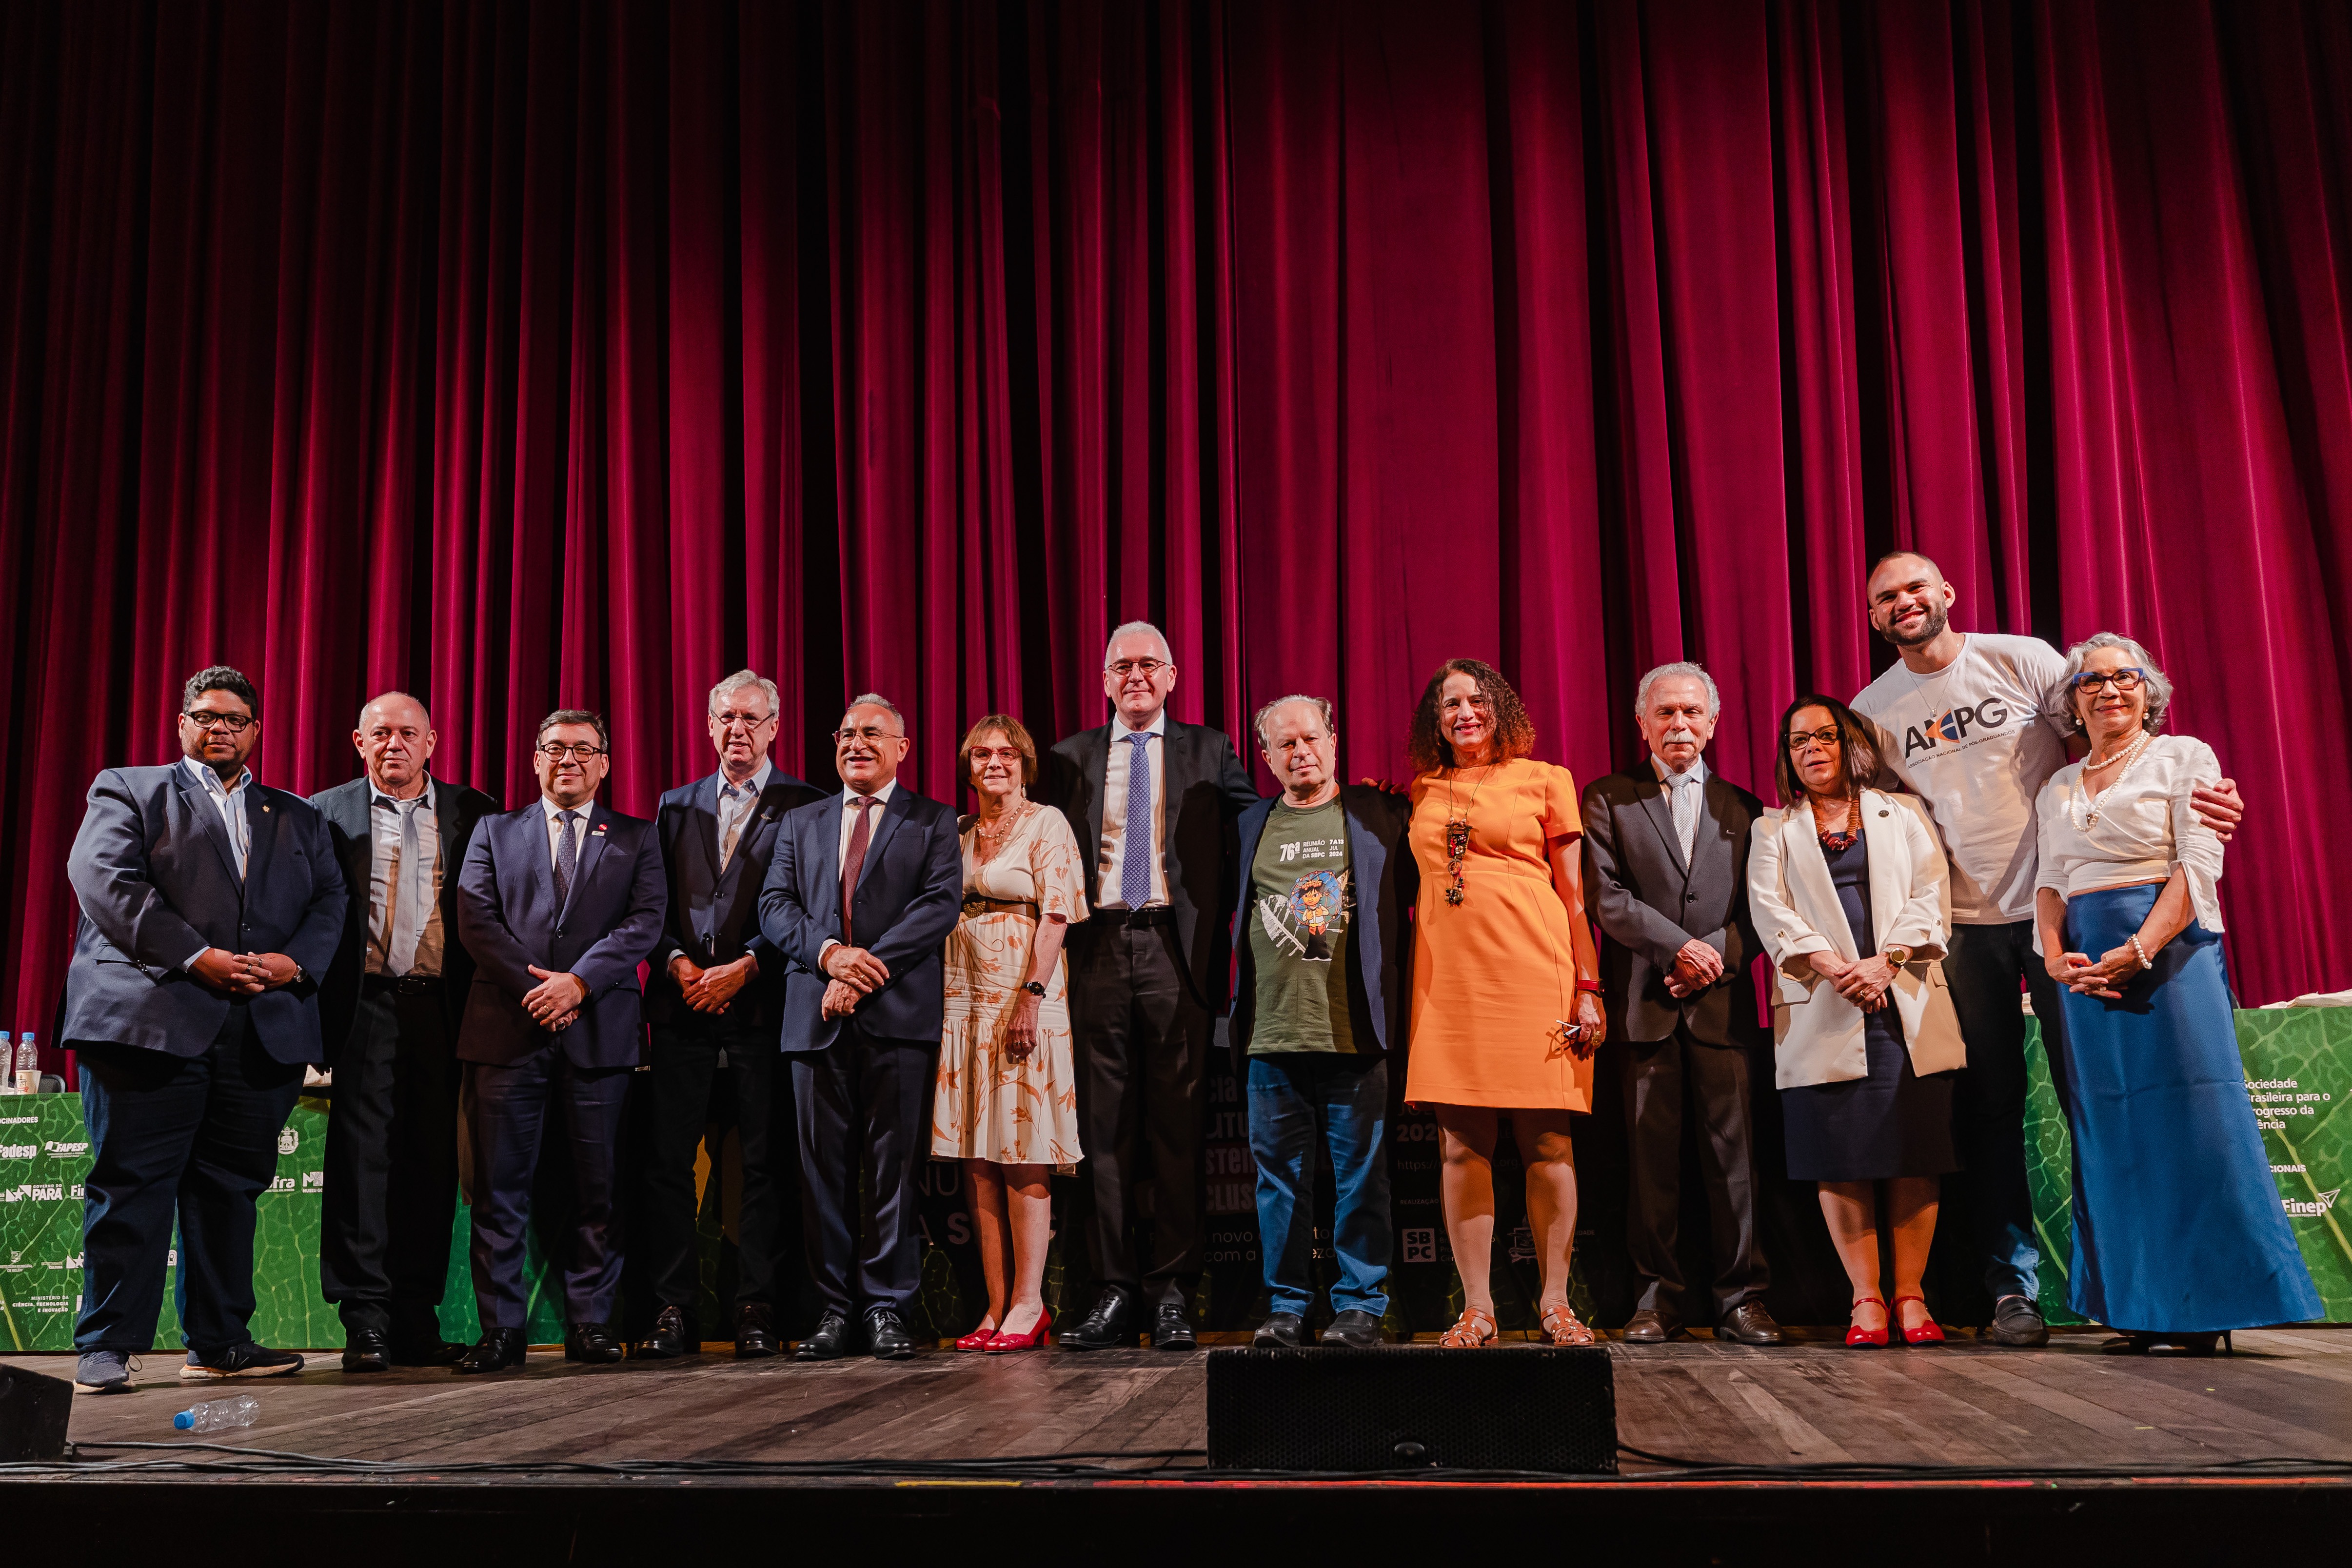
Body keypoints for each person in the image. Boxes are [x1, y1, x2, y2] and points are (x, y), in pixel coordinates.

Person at [1848, 551, 2244, 1346]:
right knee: (1991, 1109)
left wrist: (2200, 798)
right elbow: (1873, 818)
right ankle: (2012, 1289)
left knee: (2098, 1095)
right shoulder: (1872, 708)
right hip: (1961, 928)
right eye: (1886, 597)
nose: (1904, 602)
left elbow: (2113, 737)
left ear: (1946, 592)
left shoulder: (2022, 660)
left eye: (1916, 587)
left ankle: (2142, 1284)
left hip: (2070, 915)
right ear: (1873, 616)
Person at [61, 666, 346, 1394]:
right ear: (182, 723)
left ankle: (220, 1342)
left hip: (259, 1031)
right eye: (206, 716)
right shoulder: (129, 789)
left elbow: (331, 900)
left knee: (229, 1191)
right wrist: (198, 958)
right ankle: (107, 1344)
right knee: (131, 1185)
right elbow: (105, 882)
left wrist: (292, 964)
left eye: (234, 719)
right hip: (149, 1023)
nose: (220, 728)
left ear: (256, 731)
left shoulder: (298, 816)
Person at [2032, 635, 2320, 1351]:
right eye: (2092, 682)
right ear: (2073, 701)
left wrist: (2140, 950)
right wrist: (2056, 959)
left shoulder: (2184, 756)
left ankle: (2203, 1311)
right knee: (2113, 1135)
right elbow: (2049, 882)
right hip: (2085, 968)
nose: (2110, 690)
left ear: (2148, 691)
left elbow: (2197, 863)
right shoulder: (2057, 786)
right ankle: (2140, 1307)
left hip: (2170, 953)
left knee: (2194, 1124)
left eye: (2125, 677)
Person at [1042, 622, 1257, 1352]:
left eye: (1149, 665)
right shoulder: (1069, 758)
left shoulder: (1211, 750)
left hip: (1177, 949)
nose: (1135, 676)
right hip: (1096, 947)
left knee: (1177, 1130)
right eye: (1122, 666)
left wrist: (1353, 809)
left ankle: (1172, 1294)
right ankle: (1113, 1291)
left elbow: (1261, 826)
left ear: (1172, 676)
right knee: (1103, 1133)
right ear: (1104, 679)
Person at [451, 709, 667, 1373]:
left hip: (599, 1034)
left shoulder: (636, 837)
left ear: (605, 763)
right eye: (555, 748)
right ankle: (501, 1331)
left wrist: (579, 984)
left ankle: (591, 1323)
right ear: (535, 759)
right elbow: (476, 919)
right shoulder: (494, 831)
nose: (568, 759)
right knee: (498, 1192)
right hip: (508, 1031)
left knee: (598, 1190)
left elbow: (645, 921)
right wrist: (539, 990)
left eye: (583, 749)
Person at [1403, 658, 1607, 1348]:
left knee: (1548, 1142)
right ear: (1436, 722)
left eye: (1477, 700)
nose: (1465, 712)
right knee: (1461, 1147)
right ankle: (1478, 1309)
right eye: (1450, 703)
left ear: (1501, 709)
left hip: (1533, 971)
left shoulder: (1547, 780)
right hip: (1451, 983)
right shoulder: (1422, 789)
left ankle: (1556, 1305)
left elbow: (1574, 897)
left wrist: (1587, 986)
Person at [1749, 695, 1964, 1347]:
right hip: (1825, 1001)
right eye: (1798, 742)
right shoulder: (1772, 829)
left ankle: (1911, 1296)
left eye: (1825, 736)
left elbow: (1932, 892)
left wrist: (1885, 963)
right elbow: (1770, 909)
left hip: (1904, 999)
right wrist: (1835, 967)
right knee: (1838, 1155)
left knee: (1913, 1153)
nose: (1812, 749)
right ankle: (1865, 1299)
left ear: (1851, 744)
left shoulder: (1903, 812)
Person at [1581, 662, 1780, 1346]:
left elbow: (1765, 909)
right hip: (1645, 1008)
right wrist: (1679, 950)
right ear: (1643, 724)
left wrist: (1714, 957)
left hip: (1723, 1010)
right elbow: (1605, 896)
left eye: (1692, 712)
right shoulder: (1609, 798)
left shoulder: (1747, 808)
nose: (1679, 725)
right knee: (1649, 1166)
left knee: (1737, 1165)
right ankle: (1655, 1301)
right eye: (1665, 713)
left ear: (1713, 723)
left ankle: (1742, 1300)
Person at [759, 695, 963, 1361]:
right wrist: (829, 957)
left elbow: (939, 905)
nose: (857, 743)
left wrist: (861, 971)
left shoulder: (932, 820)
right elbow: (775, 905)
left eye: (873, 733)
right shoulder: (802, 821)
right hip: (812, 1019)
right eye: (847, 733)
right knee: (820, 1176)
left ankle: (887, 1308)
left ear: (902, 747)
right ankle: (833, 1309)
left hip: (897, 1019)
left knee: (892, 1175)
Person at [310, 691, 500, 1372]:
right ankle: (365, 1321)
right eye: (382, 733)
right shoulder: (324, 812)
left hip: (442, 1008)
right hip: (364, 1004)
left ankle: (417, 1319)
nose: (395, 744)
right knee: (362, 1166)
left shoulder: (475, 812)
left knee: (431, 1163)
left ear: (432, 742)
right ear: (359, 743)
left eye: (408, 733)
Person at [641, 671, 823, 1360]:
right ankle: (672, 1308)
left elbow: (809, 908)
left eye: (751, 718)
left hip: (764, 1006)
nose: (737, 729)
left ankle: (757, 1306)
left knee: (766, 1162)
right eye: (726, 717)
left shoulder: (807, 803)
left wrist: (747, 966)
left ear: (775, 727)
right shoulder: (675, 804)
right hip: (683, 1004)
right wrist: (676, 963)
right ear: (709, 725)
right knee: (667, 1163)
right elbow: (650, 903)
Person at [1230, 695, 1414, 1350]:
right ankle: (1287, 1305)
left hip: (1356, 1031)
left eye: (1311, 738)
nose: (1301, 752)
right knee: (1278, 1183)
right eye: (1286, 744)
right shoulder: (1249, 823)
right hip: (1271, 1034)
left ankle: (1361, 1303)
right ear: (1266, 756)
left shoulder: (1381, 813)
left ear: (1333, 741)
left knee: (1362, 1177)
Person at [930, 715, 1088, 1353]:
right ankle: (996, 1306)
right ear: (967, 766)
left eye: (1007, 753)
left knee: (1023, 1149)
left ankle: (1030, 1303)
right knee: (978, 1156)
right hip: (963, 1005)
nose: (994, 762)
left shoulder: (1047, 824)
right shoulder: (958, 831)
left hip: (1023, 1000)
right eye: (981, 754)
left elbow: (1057, 916)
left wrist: (1031, 996)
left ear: (1025, 763)